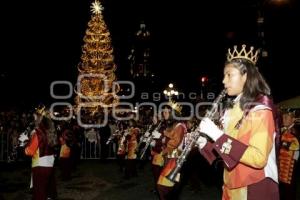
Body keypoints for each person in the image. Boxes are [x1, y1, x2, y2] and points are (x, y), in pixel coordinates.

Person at [196, 44, 280, 200]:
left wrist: (217, 135)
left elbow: (258, 158)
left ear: (246, 75)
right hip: (231, 185)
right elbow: (229, 152)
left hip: (253, 186)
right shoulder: (231, 109)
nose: (223, 80)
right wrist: (205, 144)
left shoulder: (261, 110)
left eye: (229, 75)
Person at [23, 105, 58, 200]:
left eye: (35, 117)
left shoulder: (38, 132)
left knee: (39, 193)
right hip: (49, 163)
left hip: (39, 164)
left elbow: (30, 151)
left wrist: (25, 144)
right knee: (45, 190)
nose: (33, 119)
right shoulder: (50, 130)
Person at [156, 101, 187, 200]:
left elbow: (174, 142)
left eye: (166, 112)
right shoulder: (171, 125)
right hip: (169, 158)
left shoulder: (180, 126)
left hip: (175, 159)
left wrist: (162, 137)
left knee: (163, 186)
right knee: (171, 187)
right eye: (163, 112)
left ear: (172, 113)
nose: (163, 114)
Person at [278, 109, 300, 200]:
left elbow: (297, 147)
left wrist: (283, 143)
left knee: (290, 191)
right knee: (282, 189)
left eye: (286, 117)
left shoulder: (297, 131)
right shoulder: (282, 130)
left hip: (291, 166)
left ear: (292, 119)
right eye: (283, 117)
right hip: (281, 165)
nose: (284, 119)